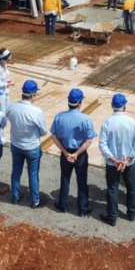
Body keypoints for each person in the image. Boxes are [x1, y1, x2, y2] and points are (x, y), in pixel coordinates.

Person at [98, 94, 135, 226]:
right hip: (129, 163)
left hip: (113, 164)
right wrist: (127, 160)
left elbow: (102, 144)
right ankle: (132, 214)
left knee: (112, 189)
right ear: (125, 107)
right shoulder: (132, 122)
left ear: (112, 106)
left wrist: (114, 160)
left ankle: (112, 217)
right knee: (132, 188)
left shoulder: (107, 122)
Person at [51, 88, 97, 216]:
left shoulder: (59, 117)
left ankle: (63, 205)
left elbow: (54, 136)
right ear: (79, 103)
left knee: (65, 178)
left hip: (65, 152)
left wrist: (65, 152)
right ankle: (83, 208)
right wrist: (76, 154)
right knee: (82, 180)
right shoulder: (86, 119)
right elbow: (88, 141)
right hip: (80, 154)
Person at [6, 80, 48, 208]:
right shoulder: (36, 111)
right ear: (33, 95)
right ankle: (35, 200)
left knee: (16, 170)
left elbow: (7, 119)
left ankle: (15, 196)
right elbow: (43, 131)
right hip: (31, 147)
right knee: (33, 173)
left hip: (16, 145)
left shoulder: (12, 107)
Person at [0, 48, 15, 116]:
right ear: (2, 59)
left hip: (5, 92)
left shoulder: (4, 65)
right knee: (1, 114)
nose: (9, 62)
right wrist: (9, 83)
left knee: (6, 112)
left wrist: (8, 81)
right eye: (8, 60)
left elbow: (3, 79)